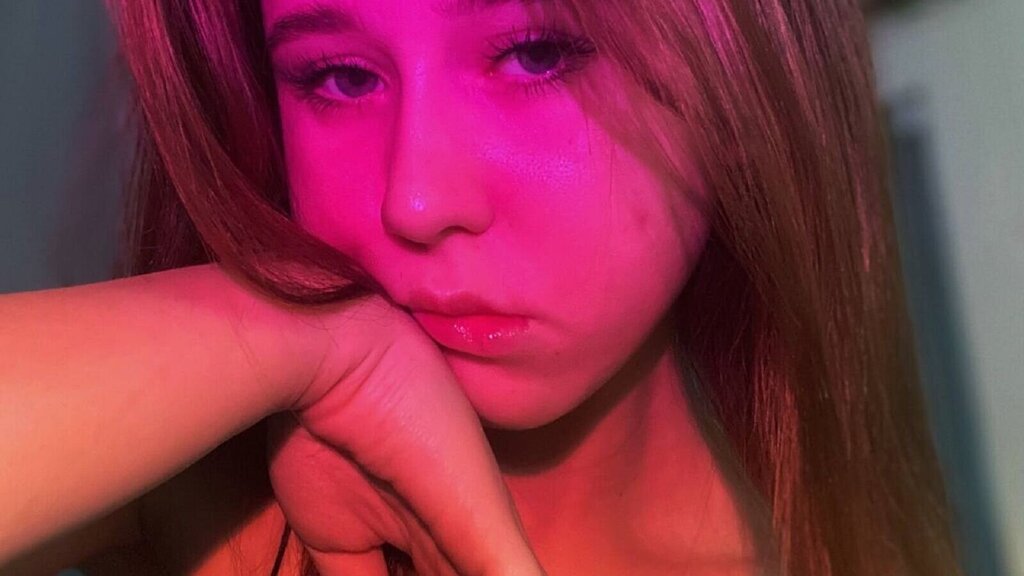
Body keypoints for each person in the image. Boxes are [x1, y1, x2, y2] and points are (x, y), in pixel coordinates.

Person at [0, 0, 966, 575]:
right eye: (338, 77)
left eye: (538, 54)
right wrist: (295, 336)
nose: (417, 199)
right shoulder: (208, 499)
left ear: (748, 63)